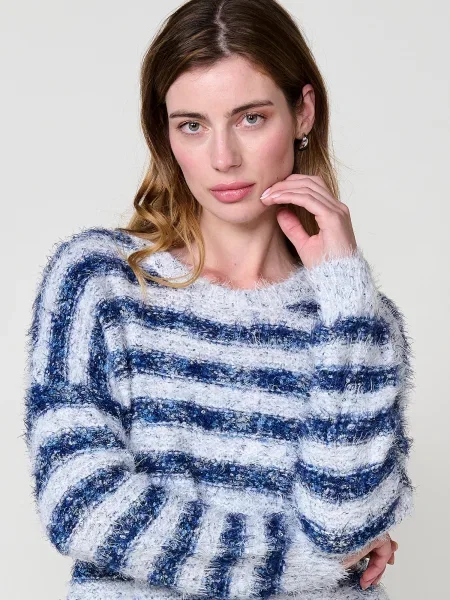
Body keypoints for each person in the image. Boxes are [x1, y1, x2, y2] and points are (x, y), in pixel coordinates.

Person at [23, 0, 415, 599]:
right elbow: (83, 507)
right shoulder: (101, 282)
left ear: (303, 112)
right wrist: (310, 564)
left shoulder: (357, 319)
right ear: (165, 133)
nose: (223, 158)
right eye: (192, 125)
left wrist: (346, 296)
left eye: (251, 118)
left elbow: (345, 524)